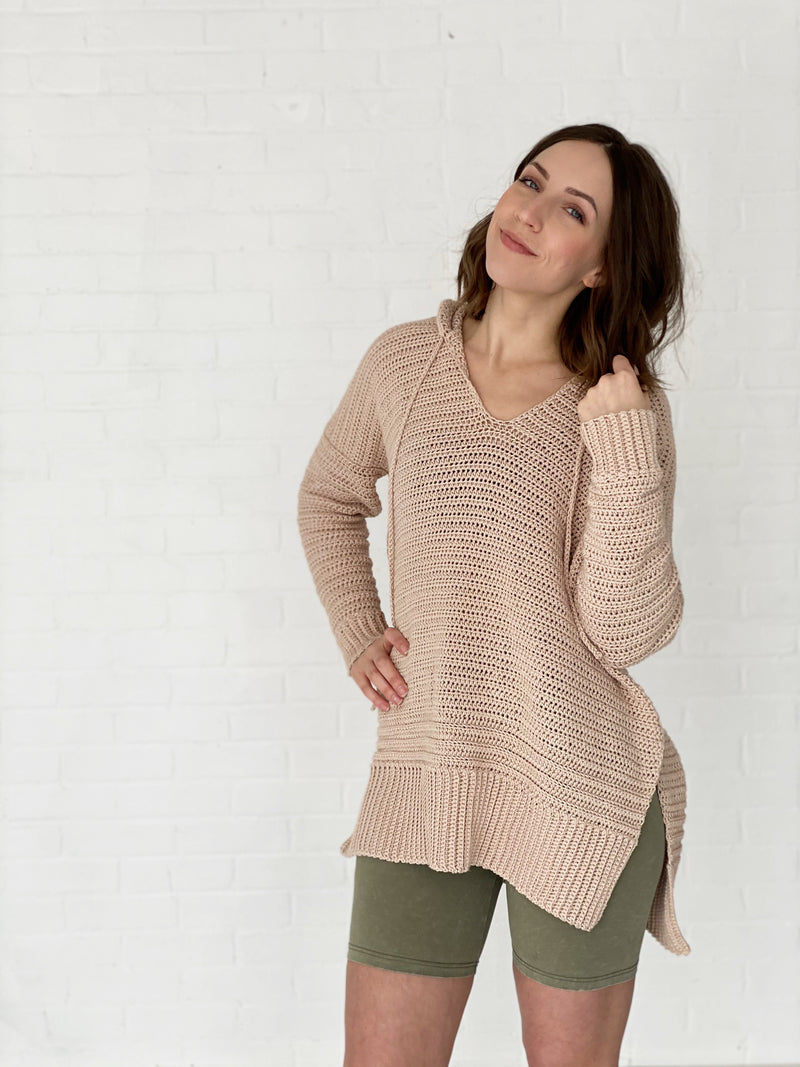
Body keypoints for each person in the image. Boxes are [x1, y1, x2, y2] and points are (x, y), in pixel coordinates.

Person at [297, 122, 690, 1067]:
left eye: (573, 210)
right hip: (428, 772)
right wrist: (358, 628)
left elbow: (623, 630)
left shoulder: (620, 408)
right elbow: (328, 495)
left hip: (578, 788)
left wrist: (624, 449)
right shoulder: (405, 363)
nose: (531, 211)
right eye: (530, 180)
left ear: (601, 266)